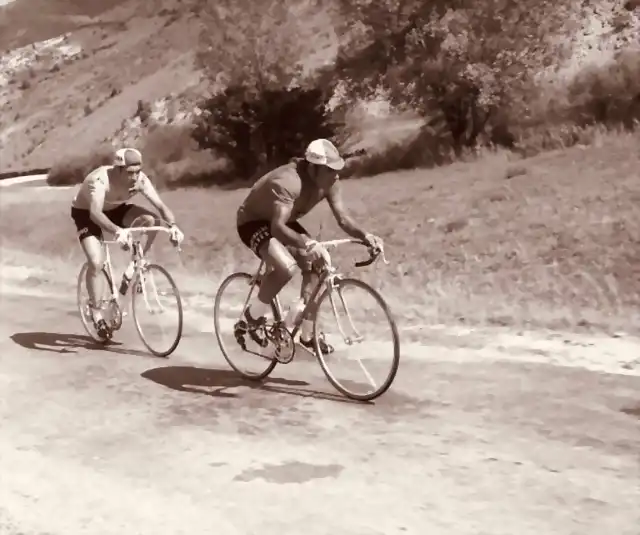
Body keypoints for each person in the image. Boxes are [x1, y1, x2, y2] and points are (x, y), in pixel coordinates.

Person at [236, 138, 383, 354]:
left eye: (337, 170)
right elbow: (277, 228)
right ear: (314, 168)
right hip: (254, 221)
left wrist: (366, 236)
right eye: (330, 170)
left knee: (318, 266)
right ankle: (251, 318)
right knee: (285, 268)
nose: (336, 175)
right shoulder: (288, 181)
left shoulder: (330, 182)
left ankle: (305, 334)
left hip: (283, 221)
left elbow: (343, 219)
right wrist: (309, 243)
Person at [70, 147, 184, 338]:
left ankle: (139, 263)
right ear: (118, 169)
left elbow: (161, 207)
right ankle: (96, 310)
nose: (134, 177)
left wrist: (173, 226)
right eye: (130, 172)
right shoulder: (99, 180)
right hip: (87, 214)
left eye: (138, 171)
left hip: (116, 208)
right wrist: (117, 231)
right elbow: (95, 213)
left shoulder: (140, 179)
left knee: (151, 221)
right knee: (96, 262)